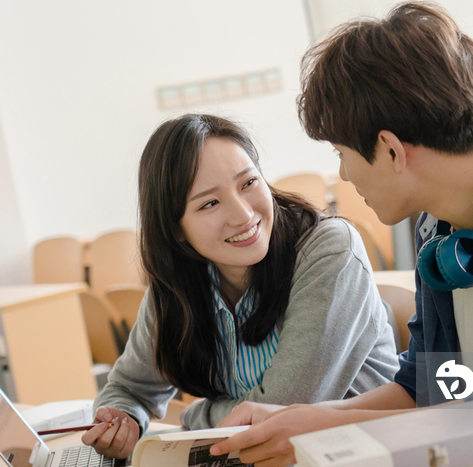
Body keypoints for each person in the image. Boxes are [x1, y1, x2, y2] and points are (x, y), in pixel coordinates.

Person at [209, 3, 473, 466]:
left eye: (341, 152)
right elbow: (426, 386)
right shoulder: (435, 223)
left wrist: (335, 432)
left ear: (391, 150)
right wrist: (302, 419)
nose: (343, 173)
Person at [81, 114, 399, 458]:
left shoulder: (328, 249)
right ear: (176, 230)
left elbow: (277, 413)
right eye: (209, 203)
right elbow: (128, 388)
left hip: (358, 455)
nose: (243, 214)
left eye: (248, 183)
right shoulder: (177, 286)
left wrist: (197, 414)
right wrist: (123, 419)